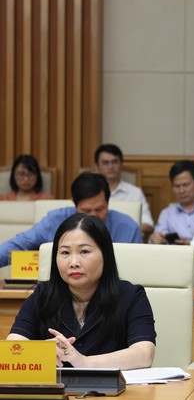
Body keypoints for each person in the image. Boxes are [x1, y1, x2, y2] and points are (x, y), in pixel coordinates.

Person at [6, 213, 155, 369]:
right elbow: (13, 349)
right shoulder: (42, 295)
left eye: (84, 251)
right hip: (56, 385)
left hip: (112, 385)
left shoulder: (131, 296)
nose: (74, 262)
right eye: (65, 253)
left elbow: (144, 355)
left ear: (105, 255)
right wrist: (42, 352)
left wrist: (84, 362)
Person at [0, 172, 142, 267]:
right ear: (74, 204)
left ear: (108, 202)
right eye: (86, 210)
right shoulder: (55, 220)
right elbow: (19, 244)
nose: (93, 216)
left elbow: (139, 267)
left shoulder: (128, 227)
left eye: (100, 209)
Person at [94, 144, 154, 236]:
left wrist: (125, 230)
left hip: (126, 239)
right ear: (97, 166)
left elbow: (148, 224)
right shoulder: (88, 193)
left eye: (115, 162)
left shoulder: (135, 192)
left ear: (121, 164)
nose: (110, 166)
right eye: (105, 163)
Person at [149, 160, 194, 245]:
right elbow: (157, 240)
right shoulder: (167, 214)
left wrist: (191, 244)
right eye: (177, 186)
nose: (181, 191)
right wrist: (155, 239)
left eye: (185, 185)